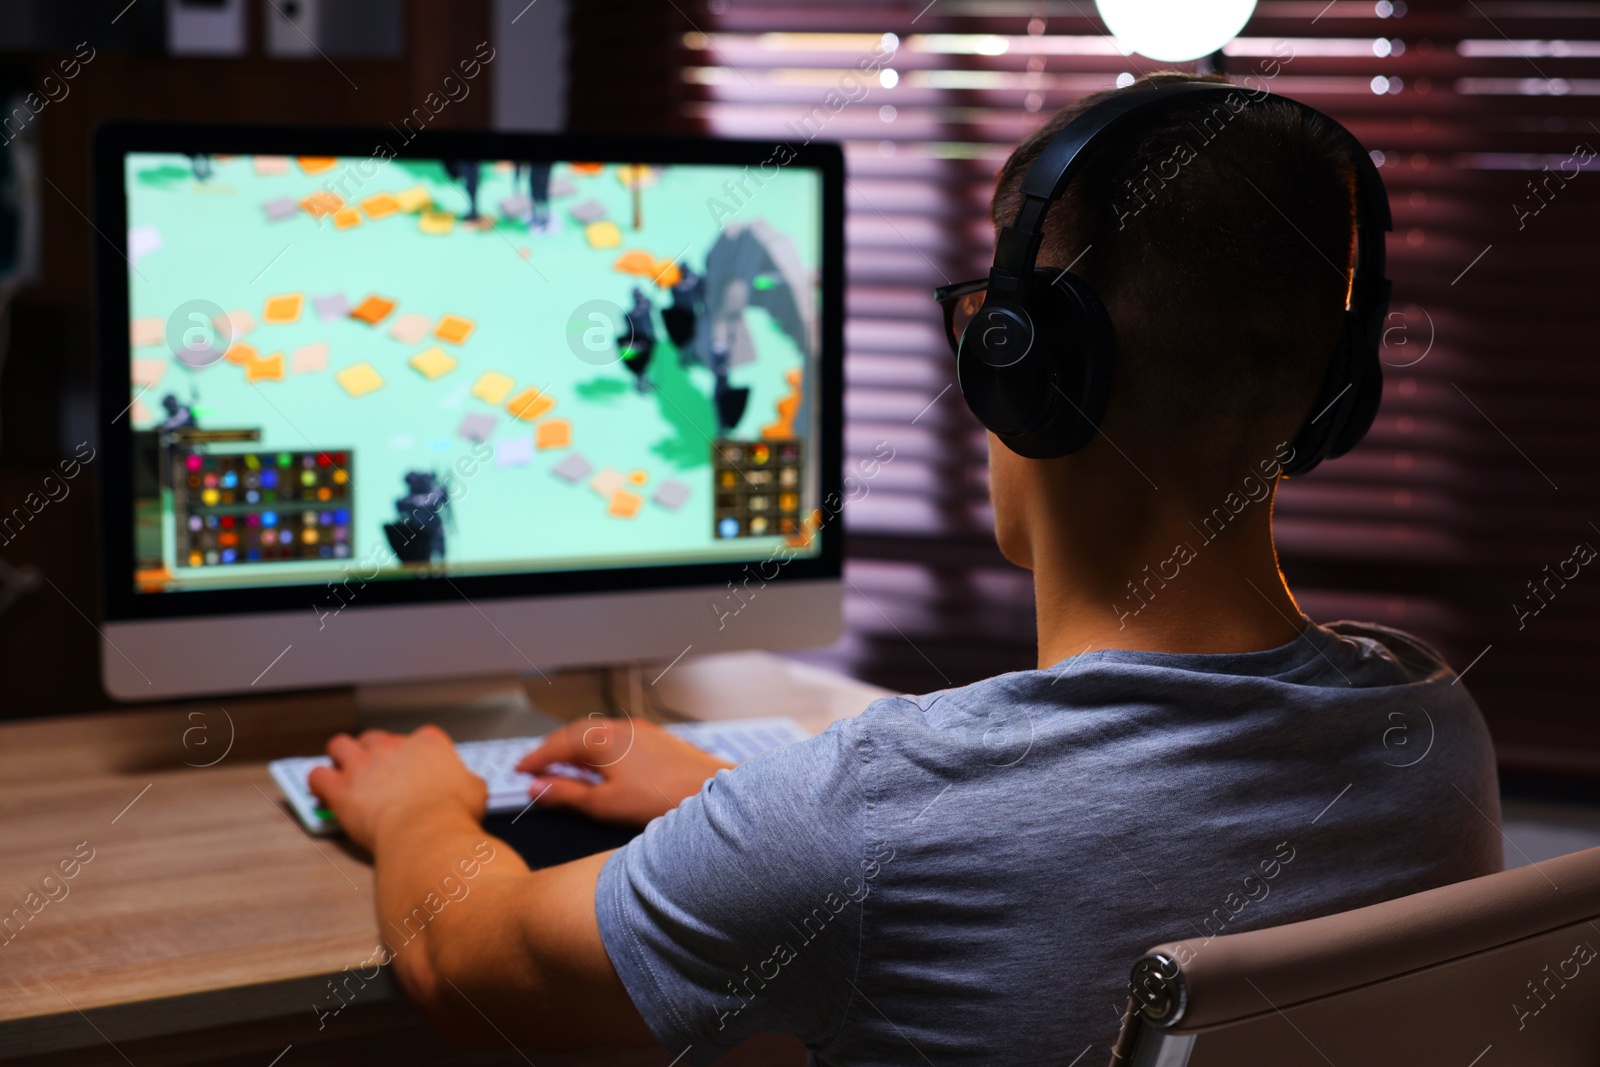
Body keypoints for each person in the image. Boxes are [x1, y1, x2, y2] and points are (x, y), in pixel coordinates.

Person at [308, 73, 1502, 1064]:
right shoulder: (1432, 731)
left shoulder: (866, 818)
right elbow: (1068, 824)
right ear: (1331, 394)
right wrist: (723, 801)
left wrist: (417, 803)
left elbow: (470, 969)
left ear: (1022, 369)